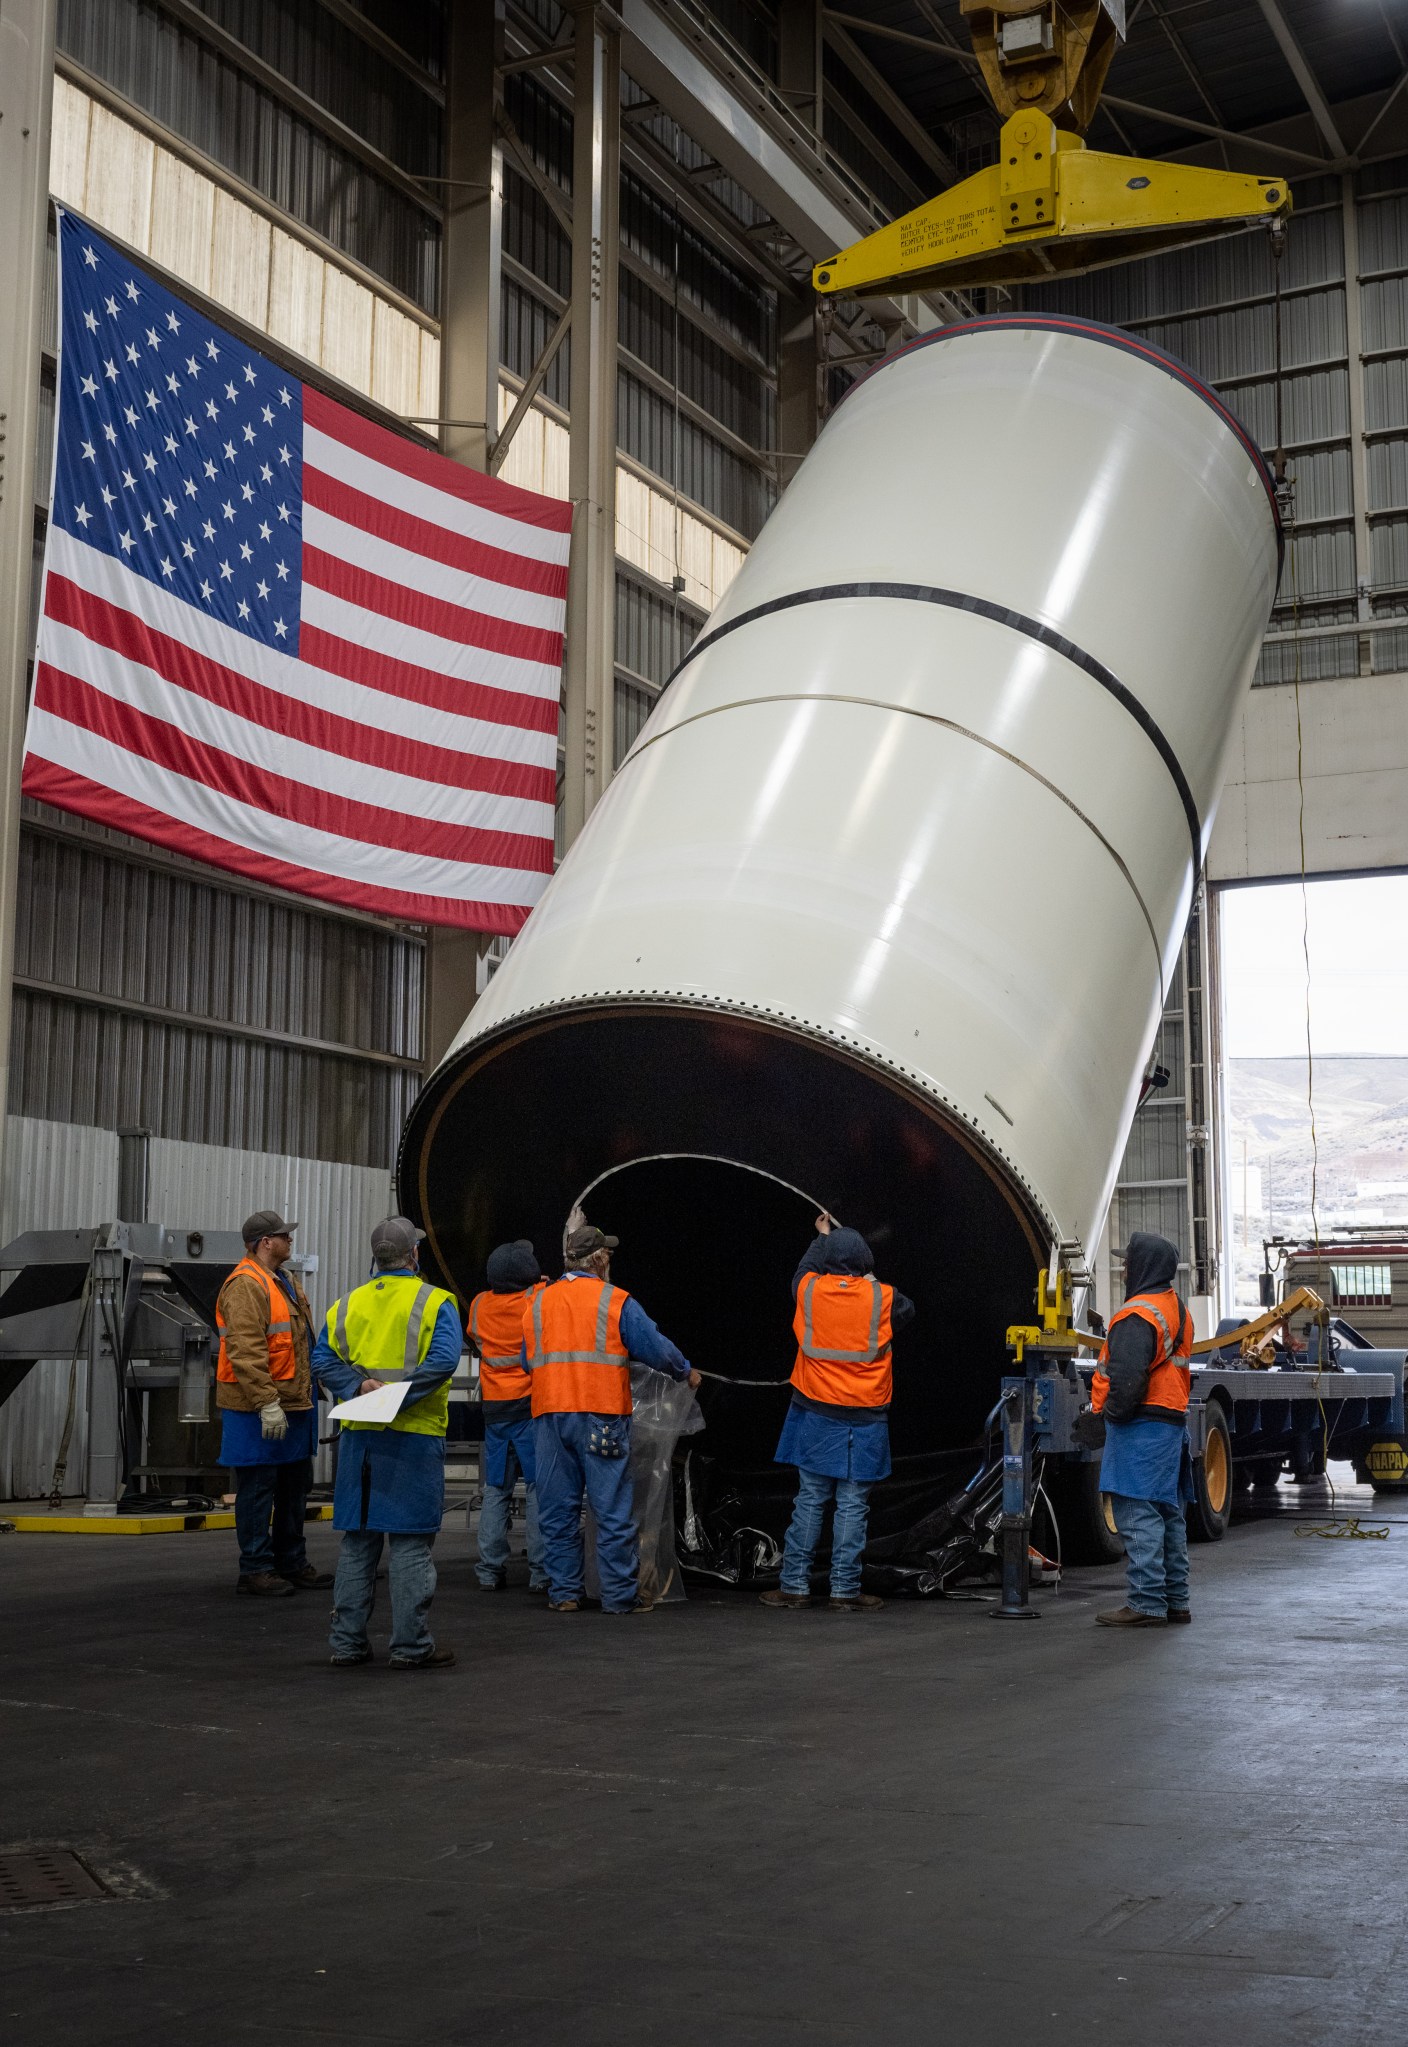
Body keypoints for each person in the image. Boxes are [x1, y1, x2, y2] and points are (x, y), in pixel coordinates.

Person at [312, 1216, 463, 1669]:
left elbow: (322, 1358)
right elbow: (442, 1362)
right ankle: (411, 1646)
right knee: (411, 1544)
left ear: (375, 1258)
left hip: (359, 1439)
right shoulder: (435, 1302)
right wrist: (397, 1397)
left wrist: (360, 1389)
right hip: (412, 1438)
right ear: (414, 1255)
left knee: (358, 1544)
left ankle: (347, 1645)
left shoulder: (347, 1305)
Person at [526, 1222, 699, 1615]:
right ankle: (620, 1597)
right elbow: (655, 1348)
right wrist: (685, 1371)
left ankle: (565, 1593)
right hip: (600, 1415)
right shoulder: (615, 1300)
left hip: (550, 1416)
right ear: (599, 1259)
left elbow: (527, 1360)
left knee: (558, 1509)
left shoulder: (538, 1302)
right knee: (611, 1509)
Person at [761, 1214, 916, 1614]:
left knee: (810, 1500)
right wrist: (869, 1280)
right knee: (852, 1506)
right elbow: (907, 1312)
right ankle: (844, 1592)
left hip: (816, 1412)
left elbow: (802, 1270)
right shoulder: (883, 1298)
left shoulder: (810, 1291)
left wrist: (820, 1238)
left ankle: (794, 1587)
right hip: (866, 1417)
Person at [216, 1210, 331, 1599]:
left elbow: (299, 1343)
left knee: (293, 1486)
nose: (290, 1241)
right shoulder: (246, 1285)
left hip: (293, 1405)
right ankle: (255, 1569)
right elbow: (245, 1351)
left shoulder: (284, 1281)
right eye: (285, 1235)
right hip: (255, 1409)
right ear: (266, 1242)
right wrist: (267, 1402)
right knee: (258, 1487)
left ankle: (291, 1562)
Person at [1088, 1229, 1195, 1628]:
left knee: (1137, 1514)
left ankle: (1146, 1603)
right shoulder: (1175, 1309)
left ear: (1142, 1267)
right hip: (1169, 1425)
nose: (1122, 1268)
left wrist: (1109, 1414)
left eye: (1127, 1262)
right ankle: (1175, 1601)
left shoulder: (1137, 1314)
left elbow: (1128, 1379)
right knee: (1168, 1515)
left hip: (1141, 1426)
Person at [467, 1240, 548, 1594]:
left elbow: (475, 1336)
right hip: (530, 1409)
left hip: (495, 1411)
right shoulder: (537, 1299)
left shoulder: (479, 1304)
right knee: (537, 1489)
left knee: (496, 1489)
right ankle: (541, 1573)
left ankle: (489, 1571)